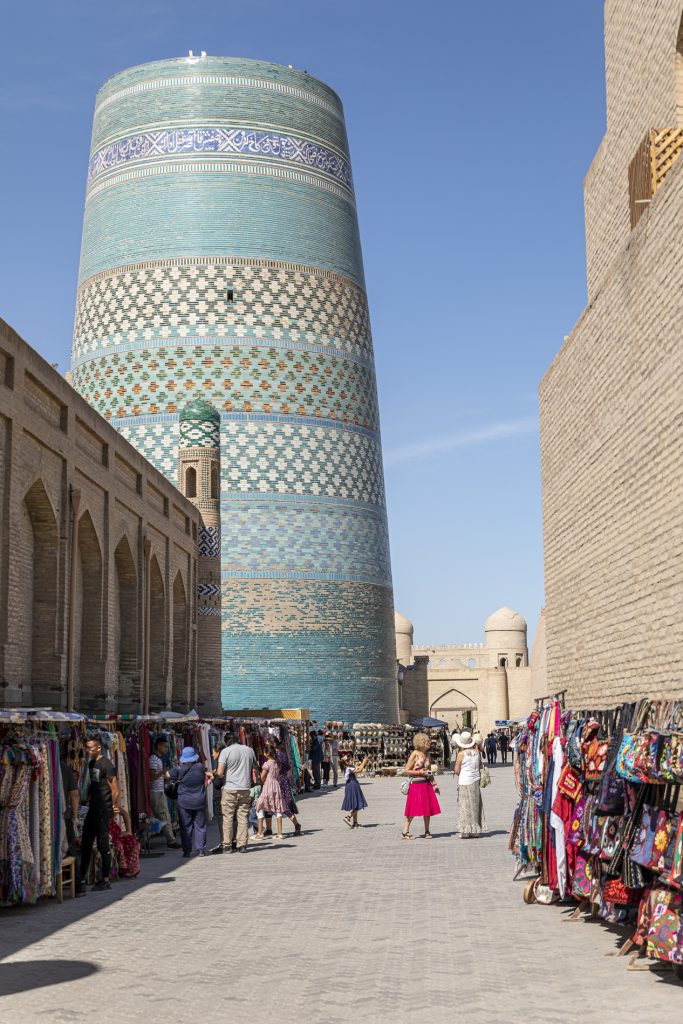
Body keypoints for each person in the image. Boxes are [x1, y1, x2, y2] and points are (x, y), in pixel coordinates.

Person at [76, 732, 120, 895]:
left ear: (99, 748)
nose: (87, 750)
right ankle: (81, 879)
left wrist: (114, 807)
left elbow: (115, 789)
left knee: (102, 845)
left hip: (103, 809)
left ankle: (106, 879)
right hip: (93, 808)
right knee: (86, 843)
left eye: (90, 747)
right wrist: (86, 798)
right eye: (86, 748)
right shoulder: (92, 763)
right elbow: (94, 785)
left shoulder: (106, 765)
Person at [213, 731, 256, 853]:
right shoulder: (249, 750)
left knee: (228, 817)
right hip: (245, 788)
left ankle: (227, 845)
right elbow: (254, 768)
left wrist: (214, 774)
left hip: (229, 789)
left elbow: (220, 773)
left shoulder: (225, 752)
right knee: (242, 817)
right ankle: (242, 845)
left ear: (227, 741)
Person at [253, 741, 300, 840]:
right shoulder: (279, 759)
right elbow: (287, 768)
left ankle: (261, 832)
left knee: (262, 806)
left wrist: (260, 778)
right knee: (280, 807)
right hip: (279, 784)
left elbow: (262, 777)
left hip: (270, 785)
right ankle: (279, 832)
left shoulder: (269, 762)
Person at [169, 746, 211, 857]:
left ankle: (187, 851)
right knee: (200, 826)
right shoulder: (200, 767)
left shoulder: (178, 769)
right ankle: (201, 849)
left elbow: (167, 776)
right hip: (199, 801)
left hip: (184, 802)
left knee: (185, 827)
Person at [402, 732, 441, 840]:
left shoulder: (428, 755)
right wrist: (420, 773)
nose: (429, 742)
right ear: (421, 742)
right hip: (416, 784)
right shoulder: (415, 753)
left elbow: (428, 772)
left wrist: (434, 785)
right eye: (427, 741)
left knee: (427, 809)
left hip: (426, 784)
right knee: (412, 809)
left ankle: (427, 831)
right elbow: (407, 770)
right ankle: (405, 831)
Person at [149, 736, 181, 848]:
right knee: (164, 816)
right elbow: (152, 777)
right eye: (165, 746)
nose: (167, 749)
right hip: (156, 792)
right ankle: (171, 841)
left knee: (162, 816)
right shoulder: (153, 759)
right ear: (158, 746)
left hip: (159, 791)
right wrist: (163, 772)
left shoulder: (158, 759)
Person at [454, 730, 485, 838]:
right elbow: (480, 767)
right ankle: (475, 830)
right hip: (475, 781)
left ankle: (466, 831)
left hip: (464, 782)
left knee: (464, 805)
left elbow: (457, 770)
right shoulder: (477, 753)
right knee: (475, 805)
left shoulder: (461, 754)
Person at [341, 753, 369, 828]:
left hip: (354, 785)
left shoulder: (351, 767)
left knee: (355, 803)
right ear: (346, 762)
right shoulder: (348, 769)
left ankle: (355, 822)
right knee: (357, 803)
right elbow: (359, 770)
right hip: (352, 786)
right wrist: (364, 762)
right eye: (350, 760)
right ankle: (348, 817)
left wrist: (364, 762)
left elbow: (359, 767)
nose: (352, 761)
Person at [60, 757, 79, 856]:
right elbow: (74, 794)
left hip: (43, 817)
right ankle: (72, 871)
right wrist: (74, 817)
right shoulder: (65, 768)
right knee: (70, 851)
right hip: (64, 816)